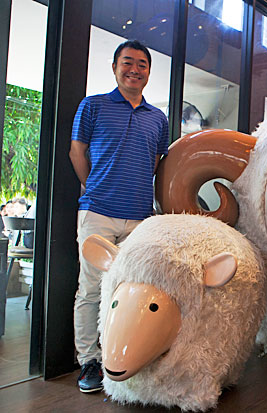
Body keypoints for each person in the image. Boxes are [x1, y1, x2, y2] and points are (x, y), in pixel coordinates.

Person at [69, 39, 169, 393]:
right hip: (97, 213)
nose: (134, 70)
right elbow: (76, 151)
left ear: (148, 72)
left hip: (139, 218)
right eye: (128, 62)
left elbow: (155, 164)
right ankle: (89, 360)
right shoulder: (93, 106)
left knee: (132, 292)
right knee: (91, 289)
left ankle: (124, 355)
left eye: (142, 64)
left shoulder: (158, 118)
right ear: (115, 67)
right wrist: (92, 186)